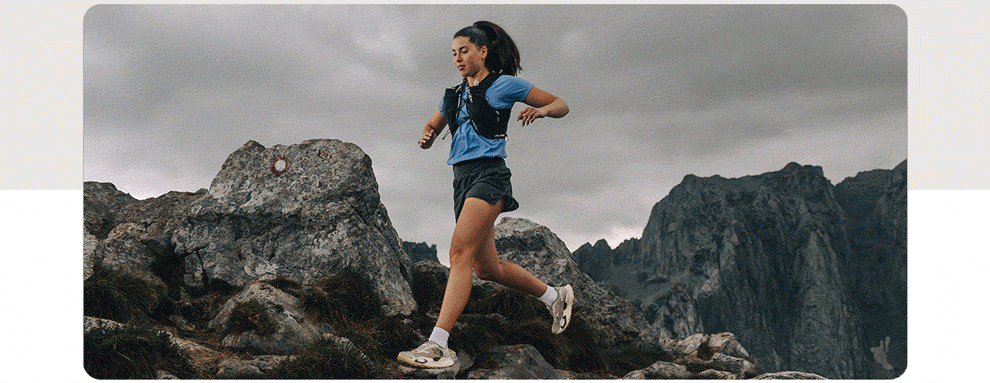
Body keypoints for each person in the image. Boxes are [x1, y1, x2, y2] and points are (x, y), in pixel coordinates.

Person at [397, 21, 574, 369]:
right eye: (453, 53)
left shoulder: (503, 85)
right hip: (461, 180)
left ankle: (438, 345)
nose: (458, 58)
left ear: (483, 51)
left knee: (458, 252)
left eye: (464, 51)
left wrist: (541, 110)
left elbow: (560, 103)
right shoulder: (455, 93)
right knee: (487, 268)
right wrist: (428, 133)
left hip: (489, 176)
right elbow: (435, 123)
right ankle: (556, 297)